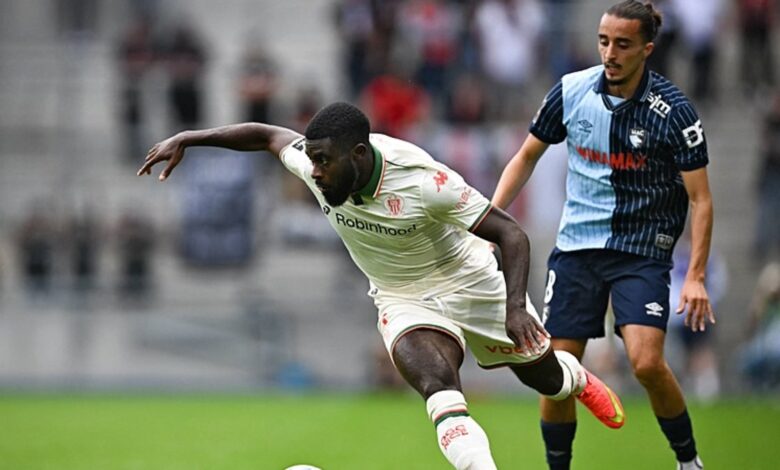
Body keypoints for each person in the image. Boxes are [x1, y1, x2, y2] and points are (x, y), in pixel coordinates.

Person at [138, 102, 625, 470]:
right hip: (400, 295)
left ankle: (574, 377)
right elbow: (266, 134)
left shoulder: (423, 180)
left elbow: (510, 233)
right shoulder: (315, 167)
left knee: (543, 379)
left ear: (358, 154)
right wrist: (190, 136)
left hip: (468, 278)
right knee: (437, 382)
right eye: (312, 160)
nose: (316, 171)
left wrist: (517, 307)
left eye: (325, 161)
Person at [491, 2, 714, 469]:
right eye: (604, 41)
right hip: (576, 250)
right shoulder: (571, 90)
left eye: (623, 44)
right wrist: (489, 217)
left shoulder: (673, 112)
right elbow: (527, 155)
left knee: (646, 363)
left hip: (641, 251)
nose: (610, 53)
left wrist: (694, 275)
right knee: (557, 368)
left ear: (647, 50)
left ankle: (688, 462)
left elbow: (701, 199)